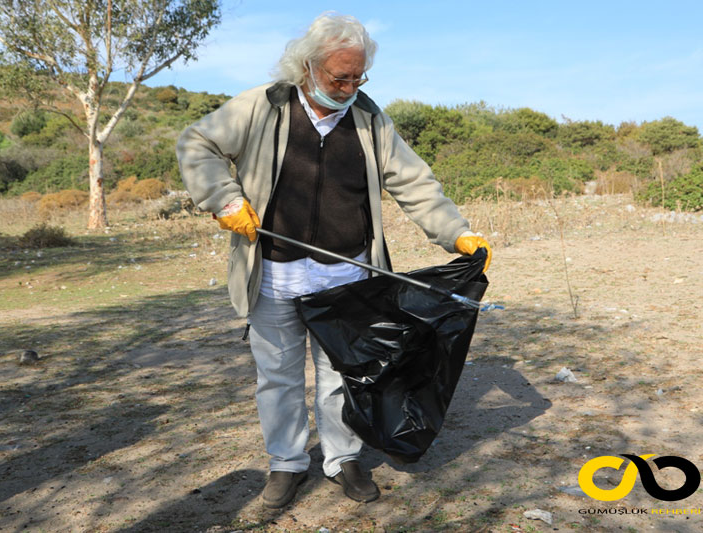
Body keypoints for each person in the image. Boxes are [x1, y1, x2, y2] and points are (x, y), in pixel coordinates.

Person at [176, 11, 492, 508]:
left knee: (341, 372)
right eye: (338, 77)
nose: (348, 87)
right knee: (277, 374)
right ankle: (286, 463)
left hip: (347, 272)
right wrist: (226, 199)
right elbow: (198, 143)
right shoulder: (262, 105)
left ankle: (343, 458)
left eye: (357, 77)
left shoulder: (370, 120)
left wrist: (457, 234)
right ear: (307, 67)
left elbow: (415, 183)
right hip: (274, 269)